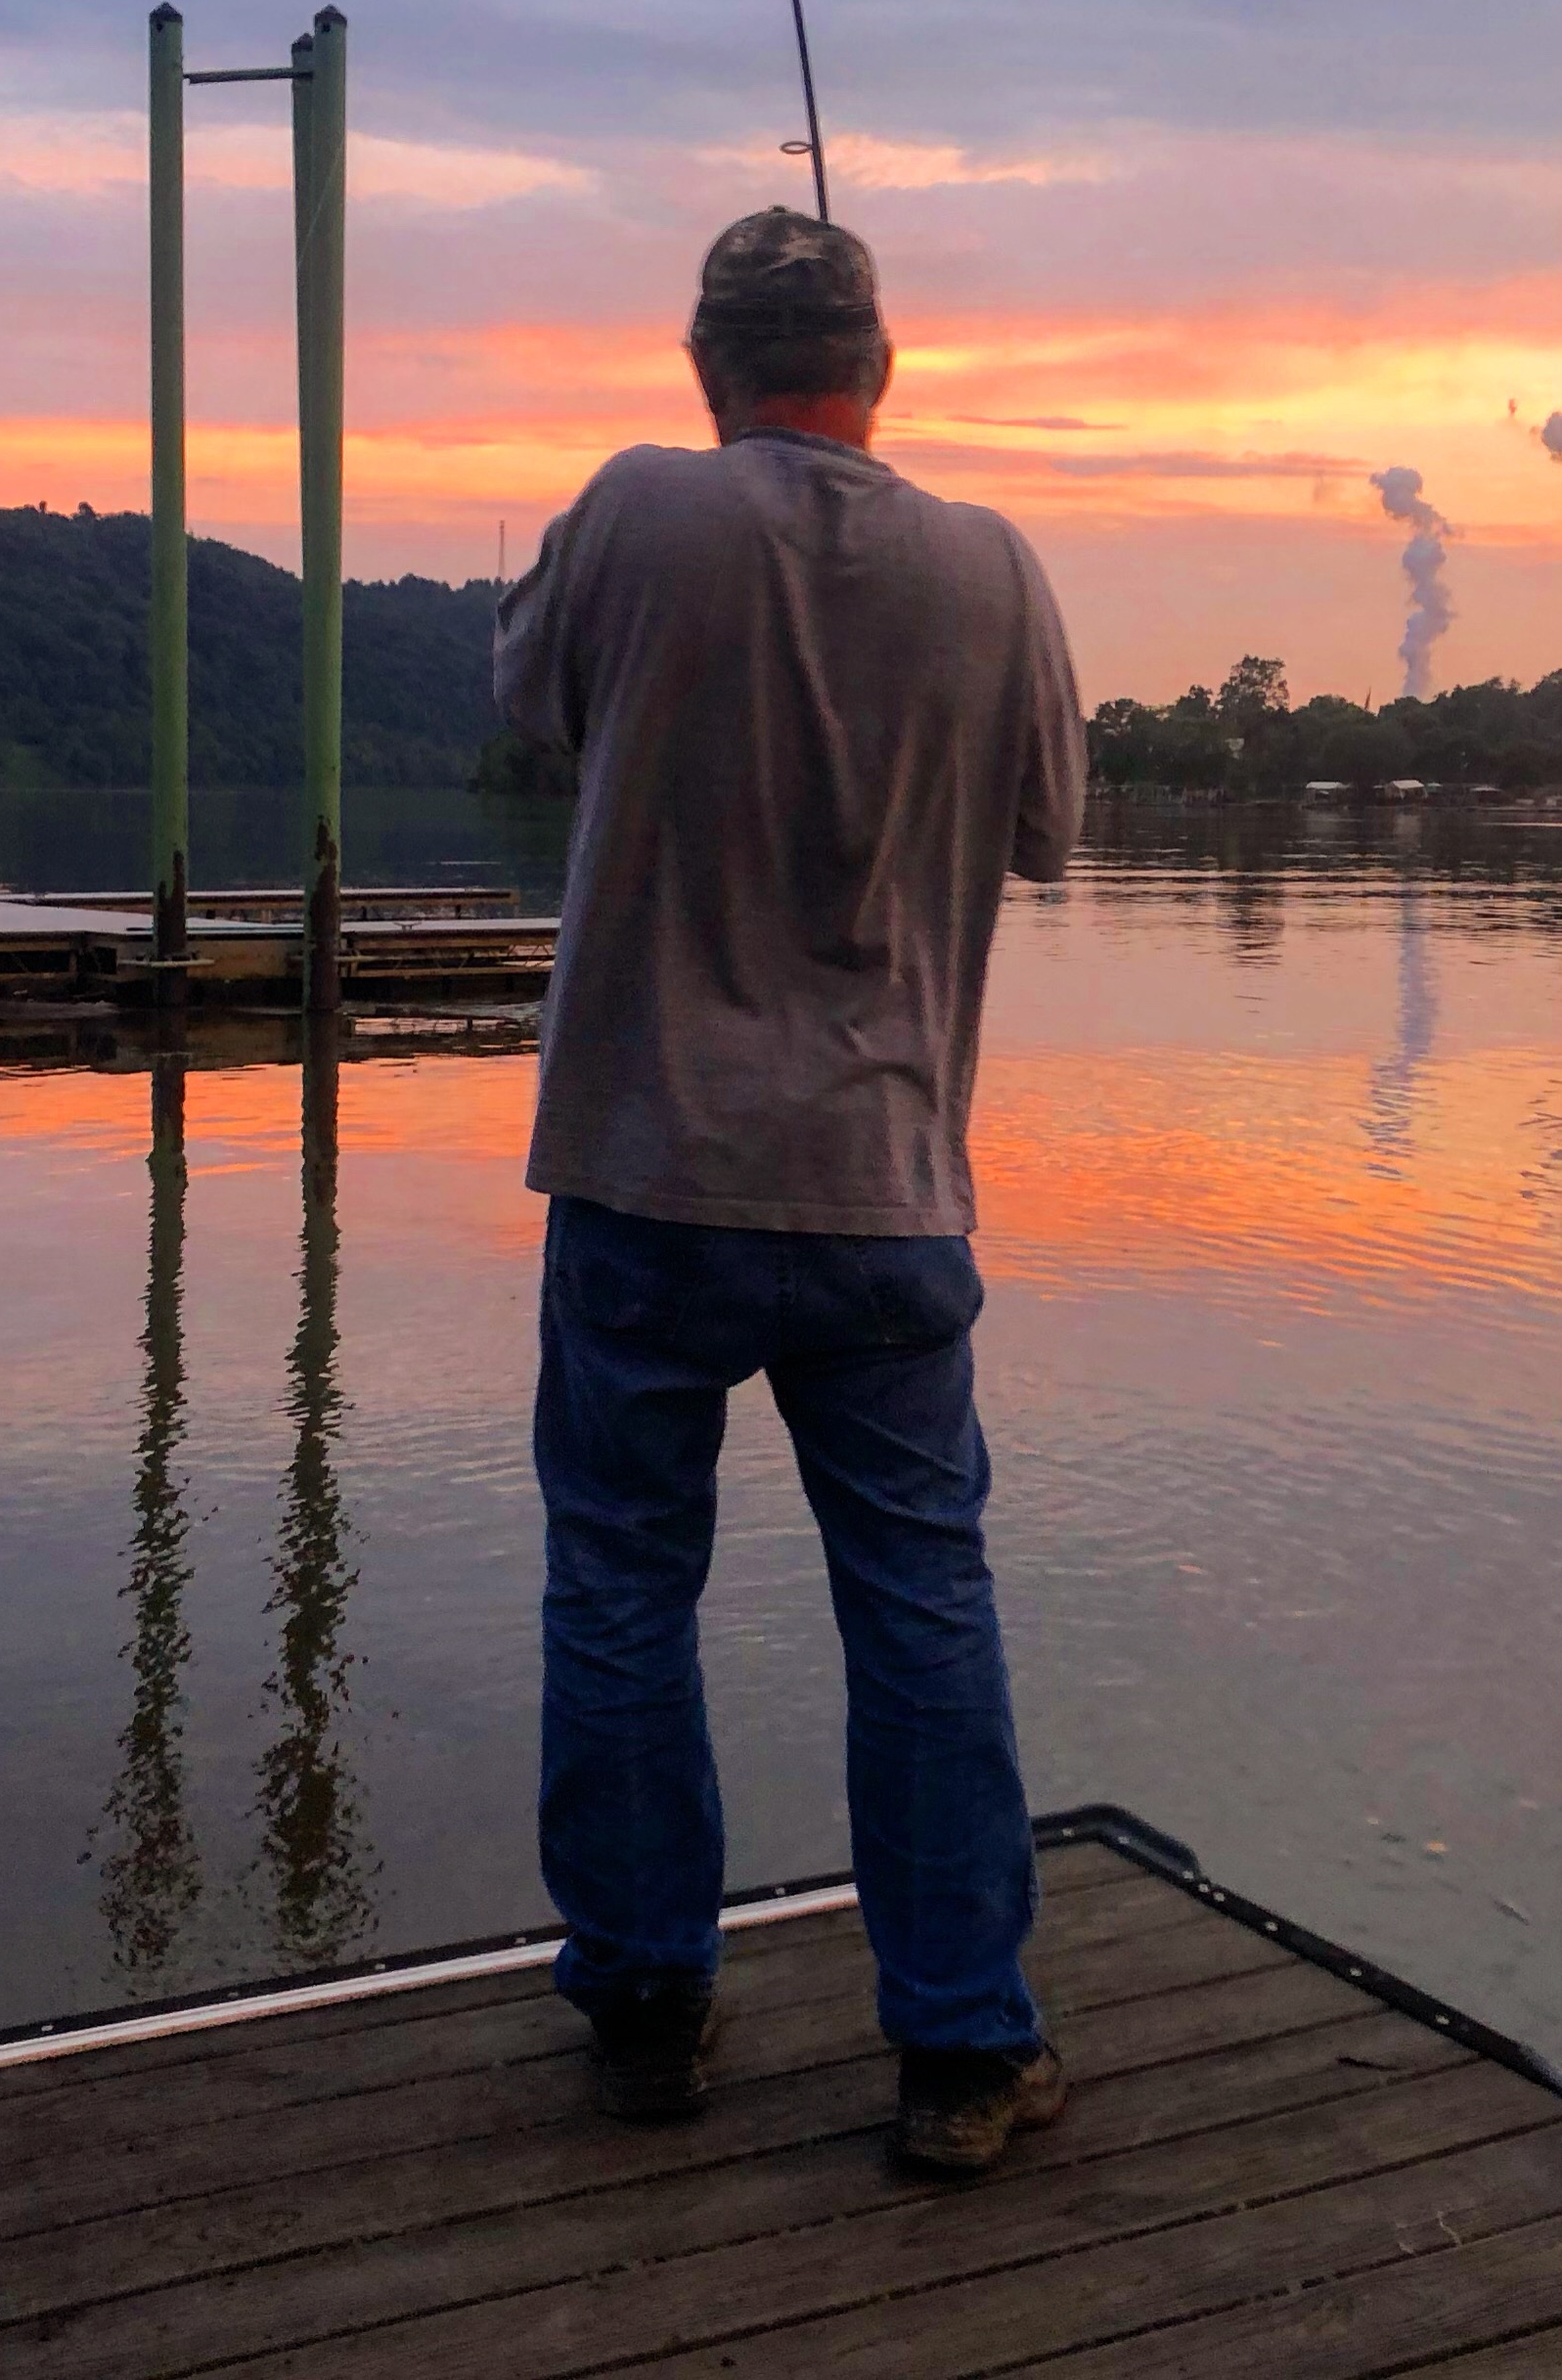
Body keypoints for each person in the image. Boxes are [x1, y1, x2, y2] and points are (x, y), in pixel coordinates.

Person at [492, 204, 1090, 2179]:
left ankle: (650, 2009)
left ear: (702, 361)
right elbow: (1053, 831)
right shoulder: (997, 564)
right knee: (921, 1596)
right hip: (889, 1186)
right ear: (884, 363)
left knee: (621, 1580)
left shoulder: (638, 511)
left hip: (650, 1174)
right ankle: (959, 2050)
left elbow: (534, 711)